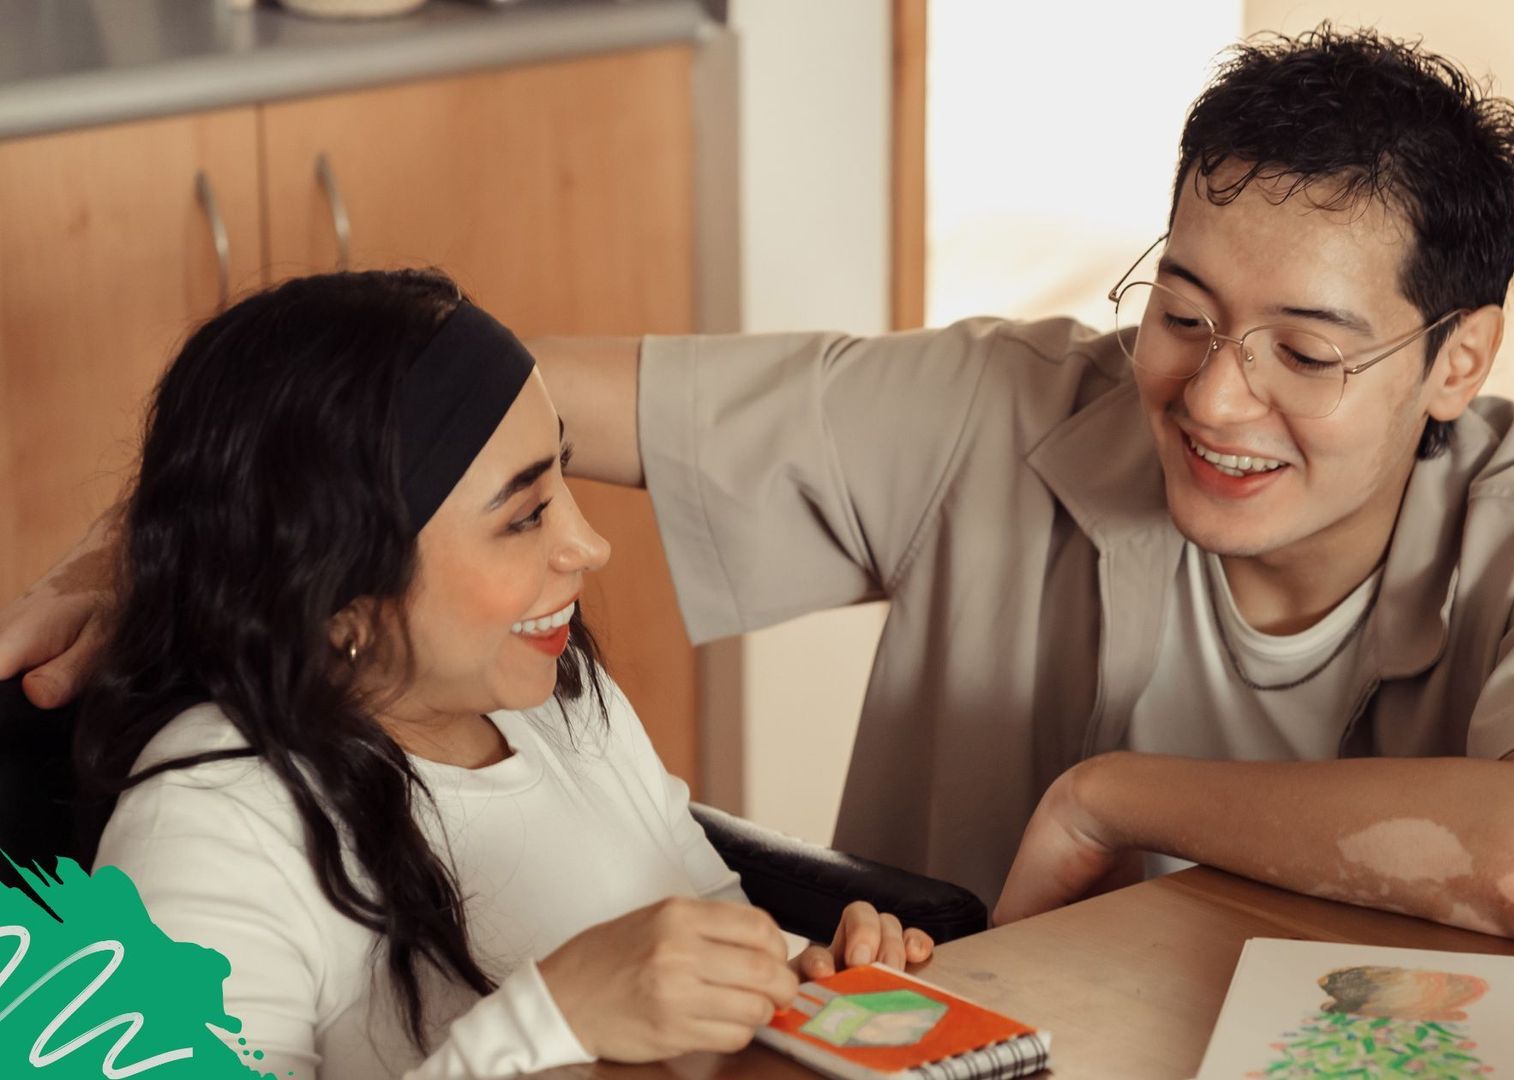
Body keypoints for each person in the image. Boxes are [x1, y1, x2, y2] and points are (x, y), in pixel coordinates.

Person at [2, 27, 1514, 950]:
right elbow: (454, 391)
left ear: (1458, 363)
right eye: (1180, 311)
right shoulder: (1002, 406)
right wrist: (178, 532)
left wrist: (1113, 798)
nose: (1214, 395)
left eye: (1307, 354)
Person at [66, 270, 933, 1079]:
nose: (588, 545)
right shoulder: (206, 830)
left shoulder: (555, 697)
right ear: (338, 598)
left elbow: (714, 922)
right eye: (524, 516)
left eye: (563, 473)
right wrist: (555, 1019)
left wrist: (803, 976)